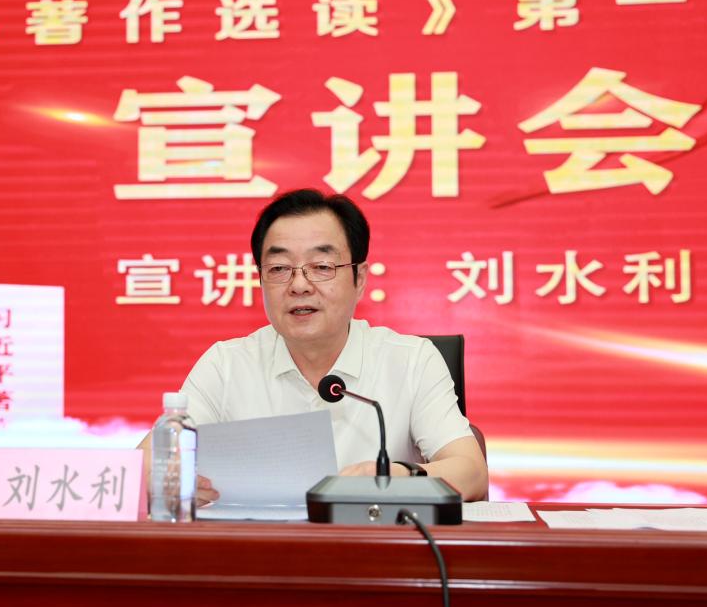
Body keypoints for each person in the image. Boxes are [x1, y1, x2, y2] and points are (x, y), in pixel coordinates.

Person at [141, 189, 488, 504]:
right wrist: (172, 481)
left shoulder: (411, 361)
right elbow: (142, 469)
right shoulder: (226, 365)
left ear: (360, 279)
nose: (299, 285)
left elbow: (471, 472)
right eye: (279, 268)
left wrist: (397, 477)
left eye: (321, 267)